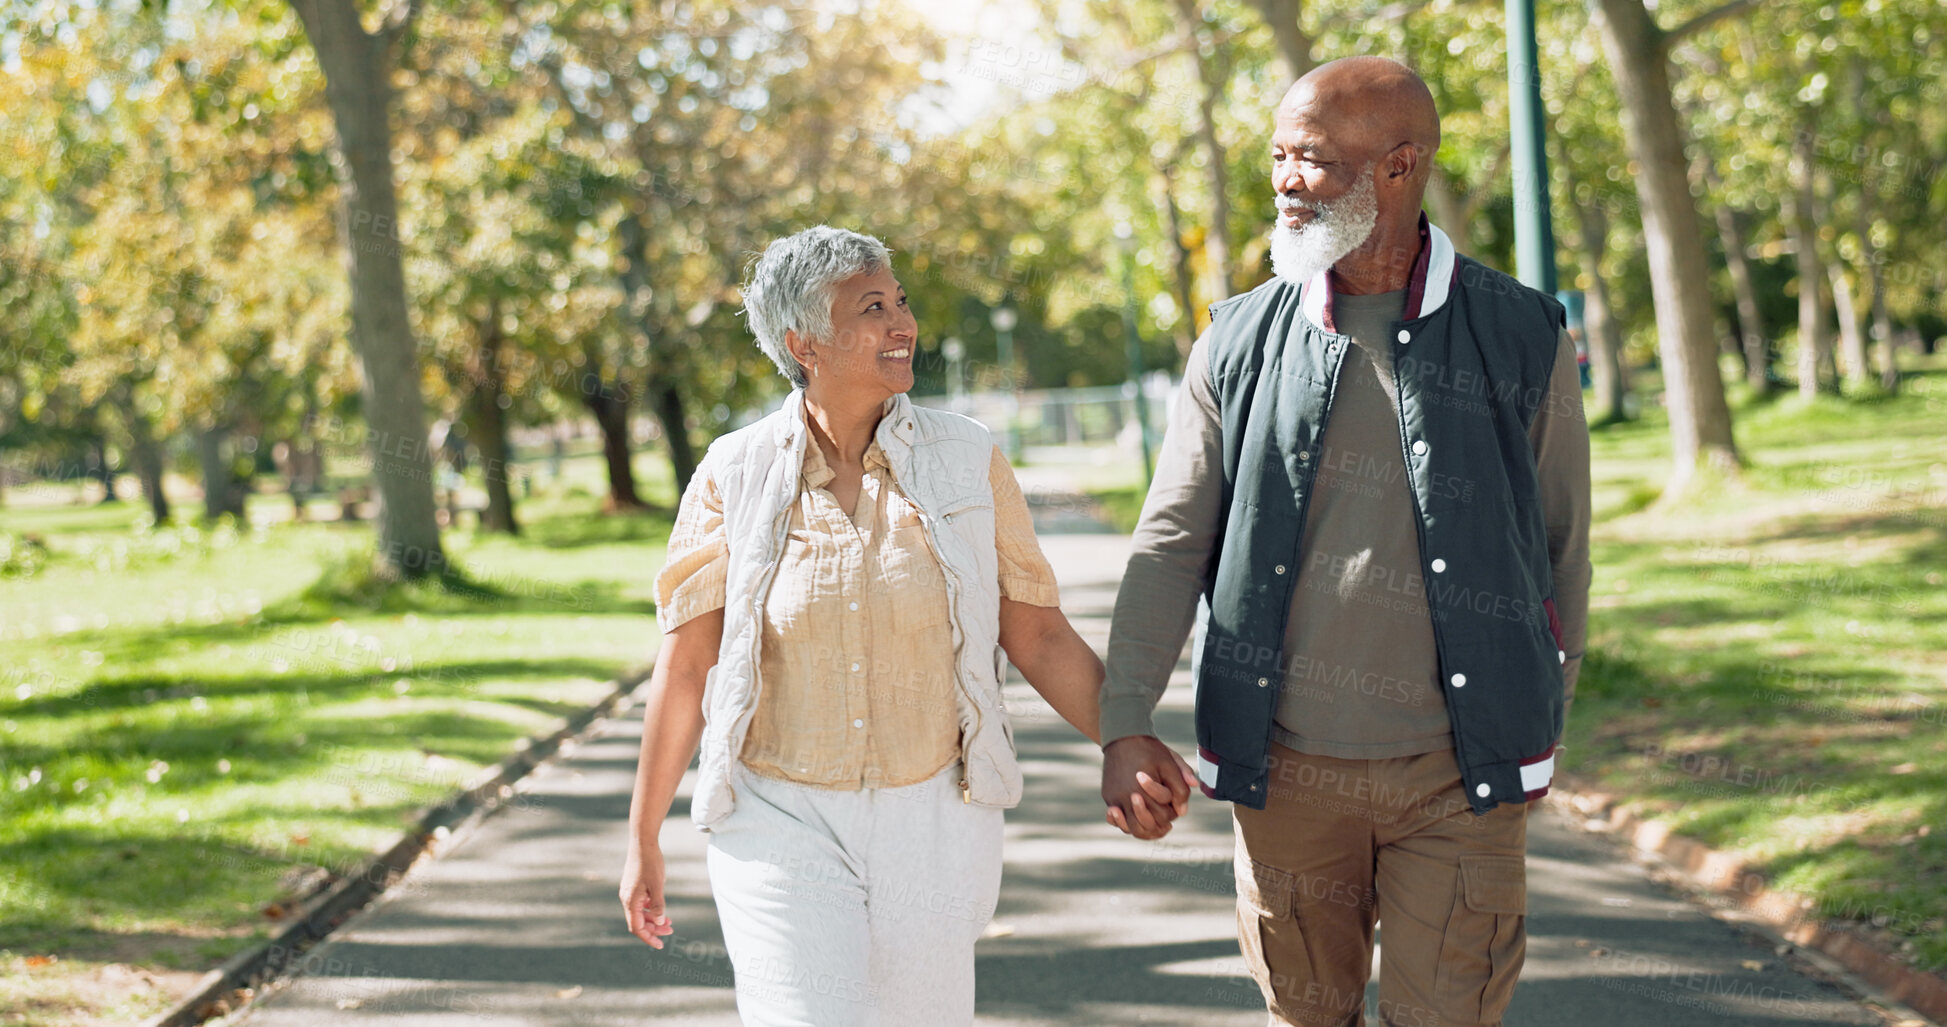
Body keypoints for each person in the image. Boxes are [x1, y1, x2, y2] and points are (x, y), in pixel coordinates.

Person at [1097, 57, 1592, 1027]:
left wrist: (1537, 717)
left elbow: (1560, 542)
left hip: (1459, 780)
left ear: (1399, 168)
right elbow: (1169, 544)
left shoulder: (1522, 333)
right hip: (1286, 779)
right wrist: (1125, 718)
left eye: (1314, 160)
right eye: (1279, 156)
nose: (1285, 180)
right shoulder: (1236, 339)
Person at [618, 226, 1190, 1026]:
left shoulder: (966, 458)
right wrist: (643, 837)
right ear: (802, 342)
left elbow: (1037, 632)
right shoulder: (733, 472)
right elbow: (684, 665)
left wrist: (1124, 734)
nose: (902, 323)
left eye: (901, 301)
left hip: (933, 816)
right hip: (779, 815)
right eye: (872, 307)